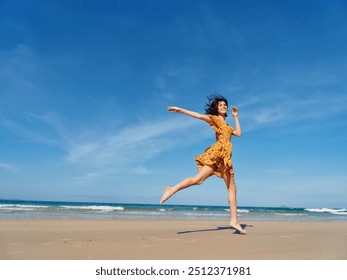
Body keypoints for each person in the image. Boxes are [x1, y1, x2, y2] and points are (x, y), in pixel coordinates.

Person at [160, 95, 246, 234]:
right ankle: (234, 221)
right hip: (218, 154)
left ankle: (171, 189)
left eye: (225, 104)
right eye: (220, 105)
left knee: (204, 181)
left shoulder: (228, 127)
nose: (224, 106)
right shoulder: (215, 119)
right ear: (216, 108)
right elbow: (199, 116)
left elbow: (239, 133)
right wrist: (180, 110)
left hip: (224, 156)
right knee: (229, 187)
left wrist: (236, 116)